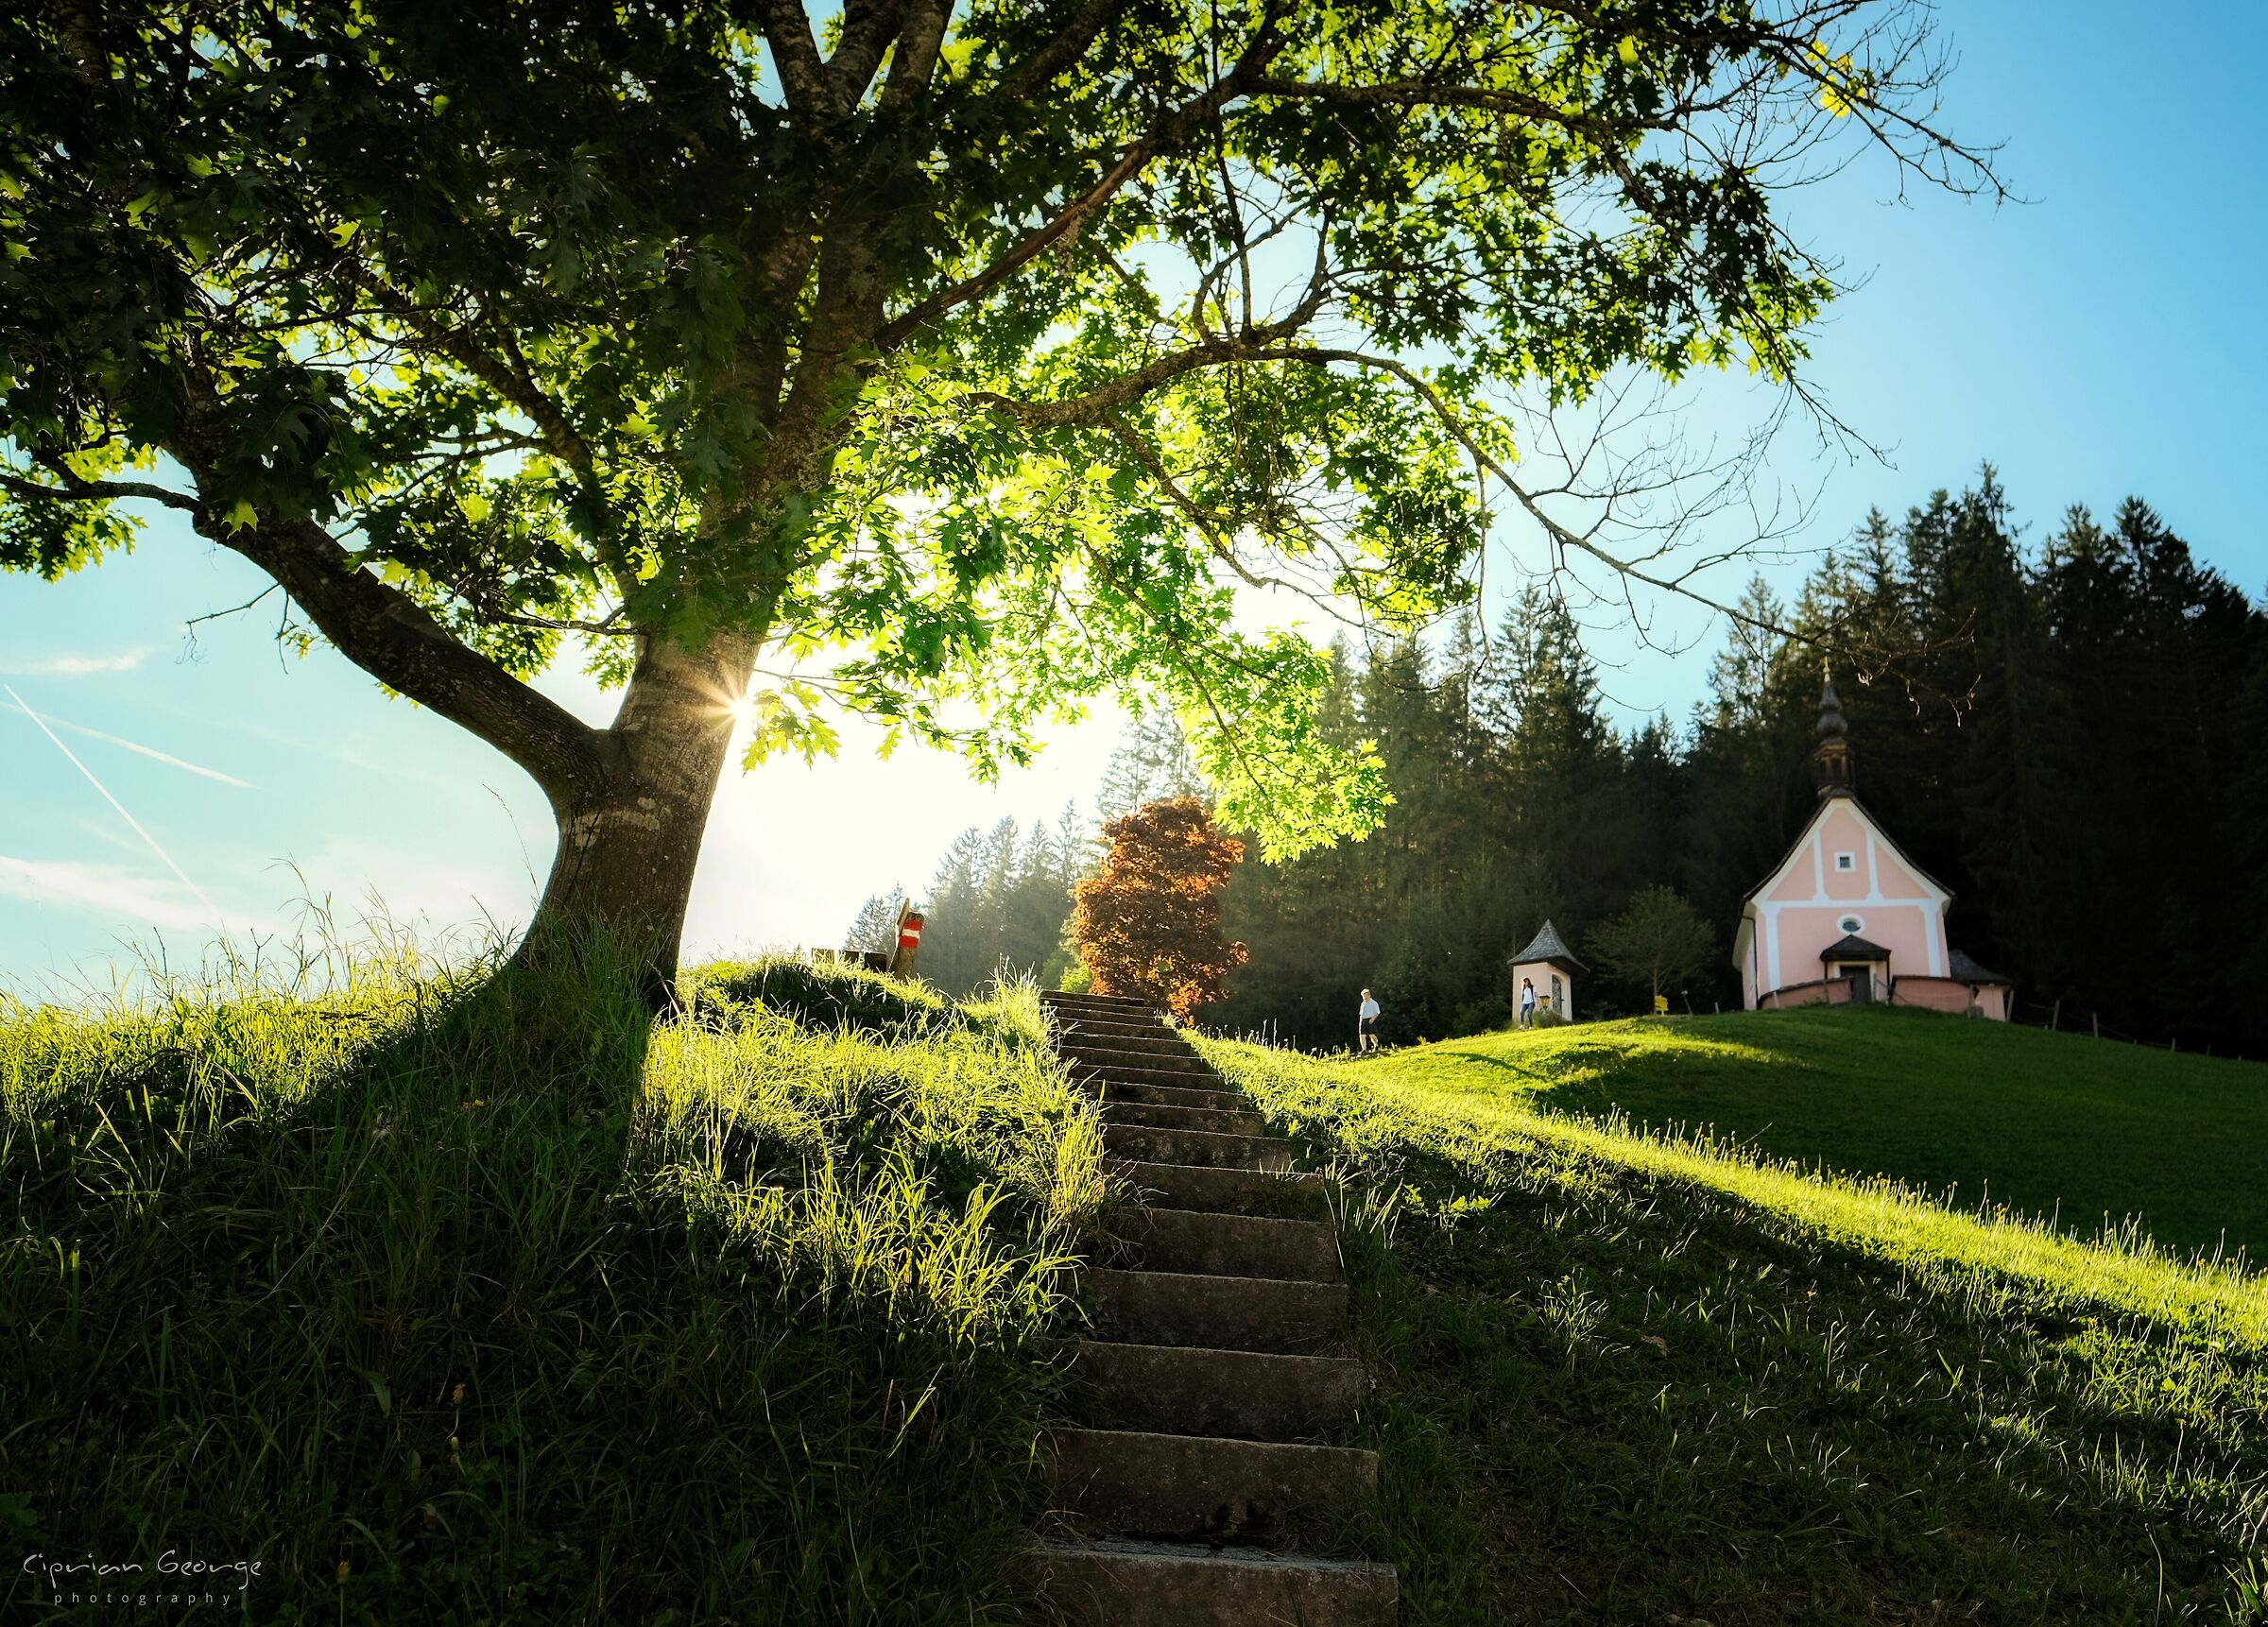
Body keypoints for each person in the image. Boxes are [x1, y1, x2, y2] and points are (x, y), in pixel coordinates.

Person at [1357, 988, 1381, 1053]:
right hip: (1363, 1020)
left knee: (1371, 1035)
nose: (1364, 997)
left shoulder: (1374, 1003)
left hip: (1371, 1019)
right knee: (1362, 1035)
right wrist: (1360, 1021)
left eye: (1365, 995)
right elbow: (1361, 1013)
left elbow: (1377, 1012)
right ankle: (1364, 1049)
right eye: (1363, 996)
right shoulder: (1363, 1004)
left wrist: (1373, 1019)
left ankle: (1376, 1044)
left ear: (1369, 995)